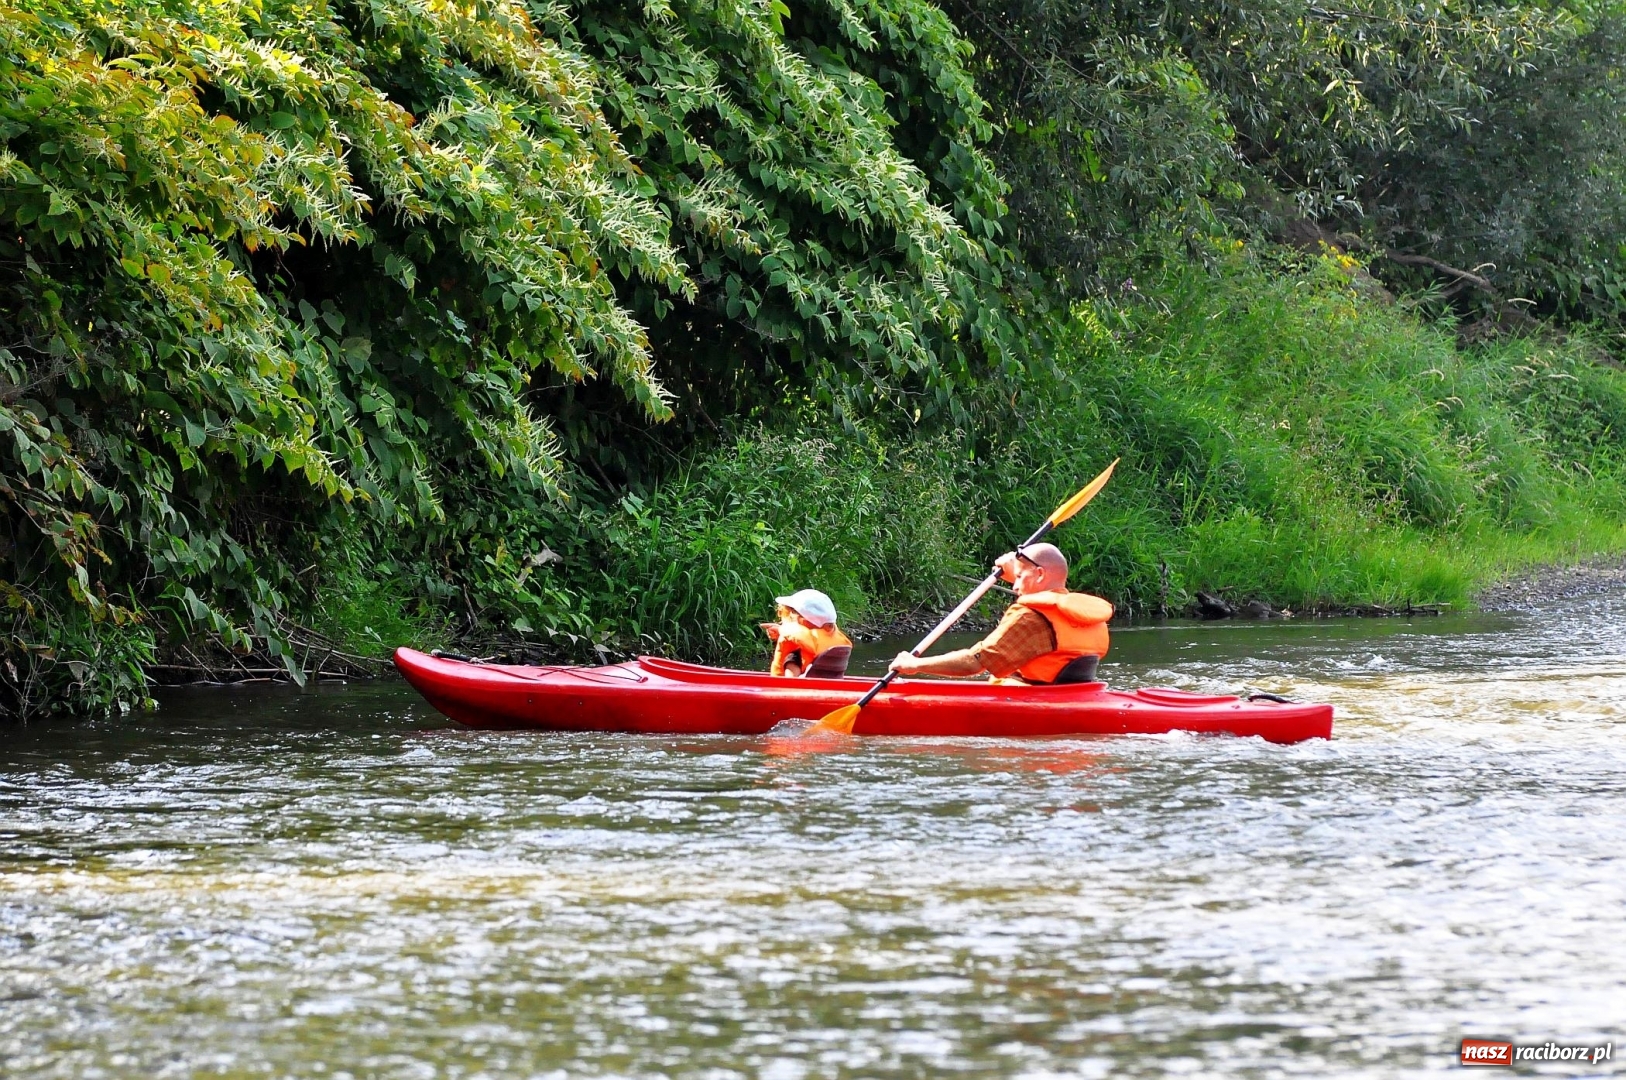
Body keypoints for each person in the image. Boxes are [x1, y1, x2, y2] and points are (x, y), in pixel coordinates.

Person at [889, 543, 1111, 684]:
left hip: (1030, 702)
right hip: (1073, 697)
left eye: (1020, 577)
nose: (1015, 587)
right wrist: (1019, 572)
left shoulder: (1030, 617)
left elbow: (974, 663)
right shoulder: (1085, 617)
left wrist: (915, 665)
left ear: (1040, 574)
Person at [763, 588, 852, 678]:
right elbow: (804, 636)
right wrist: (782, 631)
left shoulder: (795, 656)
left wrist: (783, 631)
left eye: (792, 612)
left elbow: (790, 683)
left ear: (804, 620)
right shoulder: (833, 645)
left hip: (801, 686)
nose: (789, 616)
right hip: (829, 685)